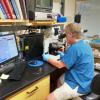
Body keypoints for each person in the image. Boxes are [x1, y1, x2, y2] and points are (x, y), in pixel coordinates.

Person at [43, 23, 94, 100]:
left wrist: (47, 58)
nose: (65, 37)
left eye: (66, 35)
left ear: (70, 34)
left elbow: (59, 65)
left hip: (79, 84)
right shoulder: (85, 44)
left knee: (49, 98)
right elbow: (78, 58)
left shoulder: (75, 48)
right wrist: (64, 56)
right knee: (59, 80)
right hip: (86, 79)